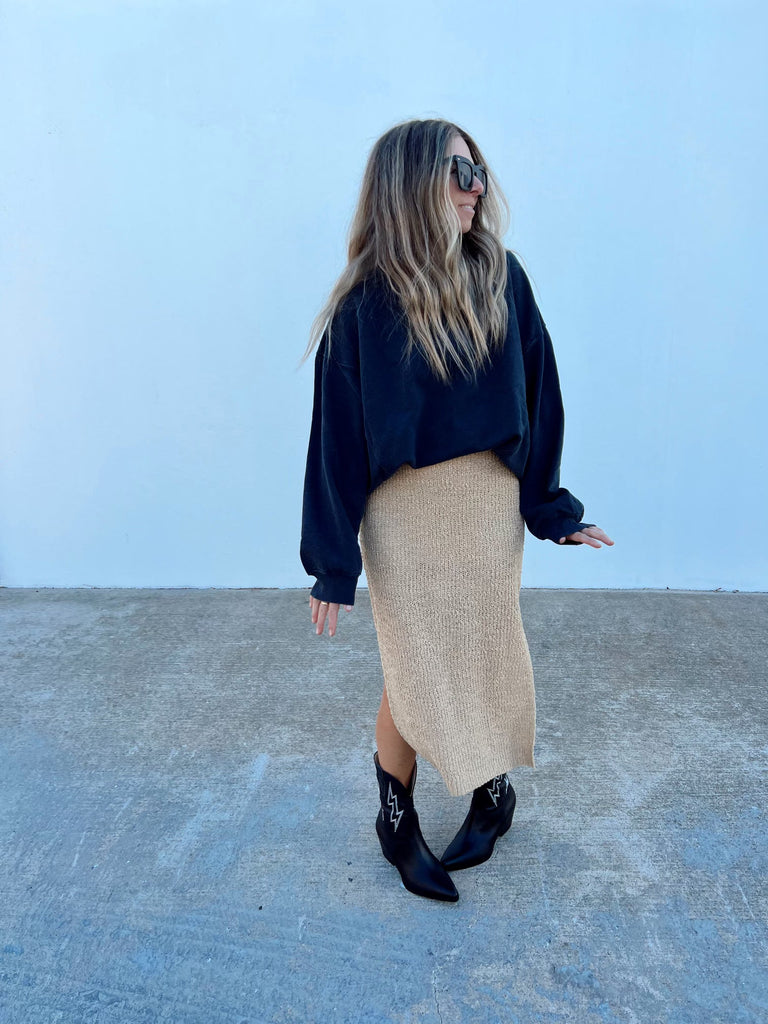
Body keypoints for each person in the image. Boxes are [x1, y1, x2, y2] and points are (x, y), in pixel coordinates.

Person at [299, 118, 613, 903]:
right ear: (410, 186)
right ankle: (395, 817)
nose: (477, 187)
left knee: (483, 647)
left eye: (478, 172)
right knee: (412, 661)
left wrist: (550, 506)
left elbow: (539, 395)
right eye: (457, 172)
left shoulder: (501, 276)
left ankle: (491, 794)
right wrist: (332, 564)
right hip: (401, 513)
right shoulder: (363, 306)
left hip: (486, 504)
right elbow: (335, 439)